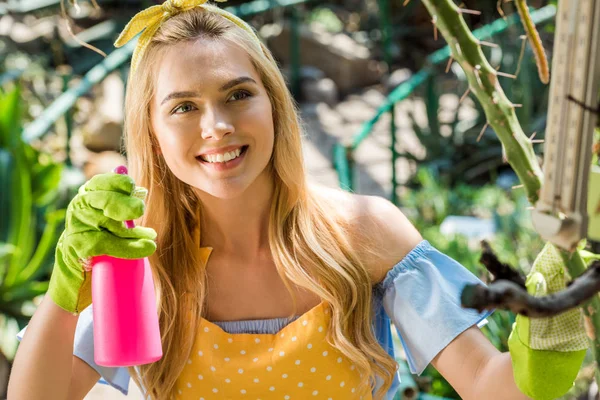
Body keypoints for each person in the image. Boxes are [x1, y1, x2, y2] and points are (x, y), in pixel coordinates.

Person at [6, 1, 587, 399]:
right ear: (151, 133)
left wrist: (549, 326)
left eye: (238, 94)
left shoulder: (362, 235)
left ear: (275, 104)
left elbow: (491, 383)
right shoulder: (141, 265)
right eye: (183, 106)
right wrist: (65, 287)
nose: (216, 126)